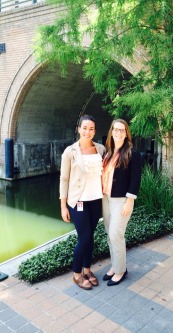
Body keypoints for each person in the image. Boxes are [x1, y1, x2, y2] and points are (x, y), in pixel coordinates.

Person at [59, 114, 105, 290]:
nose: (88, 131)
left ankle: (87, 270)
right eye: (84, 128)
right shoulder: (70, 152)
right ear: (79, 129)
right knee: (84, 237)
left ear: (95, 131)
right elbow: (64, 179)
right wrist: (63, 206)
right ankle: (76, 274)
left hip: (95, 200)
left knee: (90, 236)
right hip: (78, 201)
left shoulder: (100, 149)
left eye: (91, 128)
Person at [102, 119, 142, 286]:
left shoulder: (133, 154)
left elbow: (135, 180)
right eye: (115, 130)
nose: (118, 133)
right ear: (111, 132)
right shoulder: (108, 152)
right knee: (110, 236)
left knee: (115, 235)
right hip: (106, 199)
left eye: (122, 130)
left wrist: (129, 202)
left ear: (126, 133)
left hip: (121, 201)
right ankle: (115, 265)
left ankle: (121, 271)